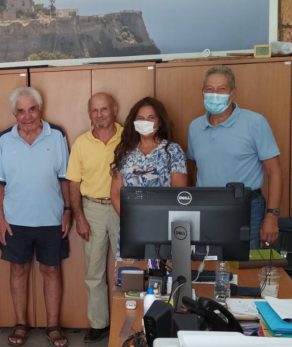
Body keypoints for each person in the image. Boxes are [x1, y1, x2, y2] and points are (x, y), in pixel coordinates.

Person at [0, 87, 71, 347]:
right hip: (15, 220)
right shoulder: (4, 140)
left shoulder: (56, 135)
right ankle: (20, 324)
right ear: (14, 114)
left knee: (51, 270)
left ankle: (53, 326)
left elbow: (65, 178)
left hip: (51, 218)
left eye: (32, 109)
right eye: (21, 111)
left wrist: (68, 210)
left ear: (40, 109)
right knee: (18, 269)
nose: (27, 116)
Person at [188, 65, 281, 249]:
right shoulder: (195, 127)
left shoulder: (255, 123)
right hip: (207, 207)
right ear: (202, 92)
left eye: (221, 89)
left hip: (246, 207)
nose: (215, 94)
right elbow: (193, 168)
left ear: (232, 92)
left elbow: (274, 171)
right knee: (208, 261)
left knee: (245, 262)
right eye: (209, 89)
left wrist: (272, 216)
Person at [66, 92, 121, 343]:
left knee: (128, 269)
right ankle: (99, 324)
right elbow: (73, 183)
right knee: (94, 271)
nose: (99, 115)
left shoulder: (128, 138)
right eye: (94, 110)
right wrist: (79, 217)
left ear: (114, 109)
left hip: (123, 209)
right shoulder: (81, 143)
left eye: (104, 109)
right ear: (89, 113)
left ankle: (125, 322)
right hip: (93, 209)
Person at [110, 97, 188, 214]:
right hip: (131, 219)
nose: (145, 122)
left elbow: (179, 192)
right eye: (140, 118)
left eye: (151, 118)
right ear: (134, 122)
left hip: (164, 219)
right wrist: (129, 218)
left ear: (160, 122)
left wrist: (160, 219)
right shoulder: (124, 151)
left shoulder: (173, 150)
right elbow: (115, 193)